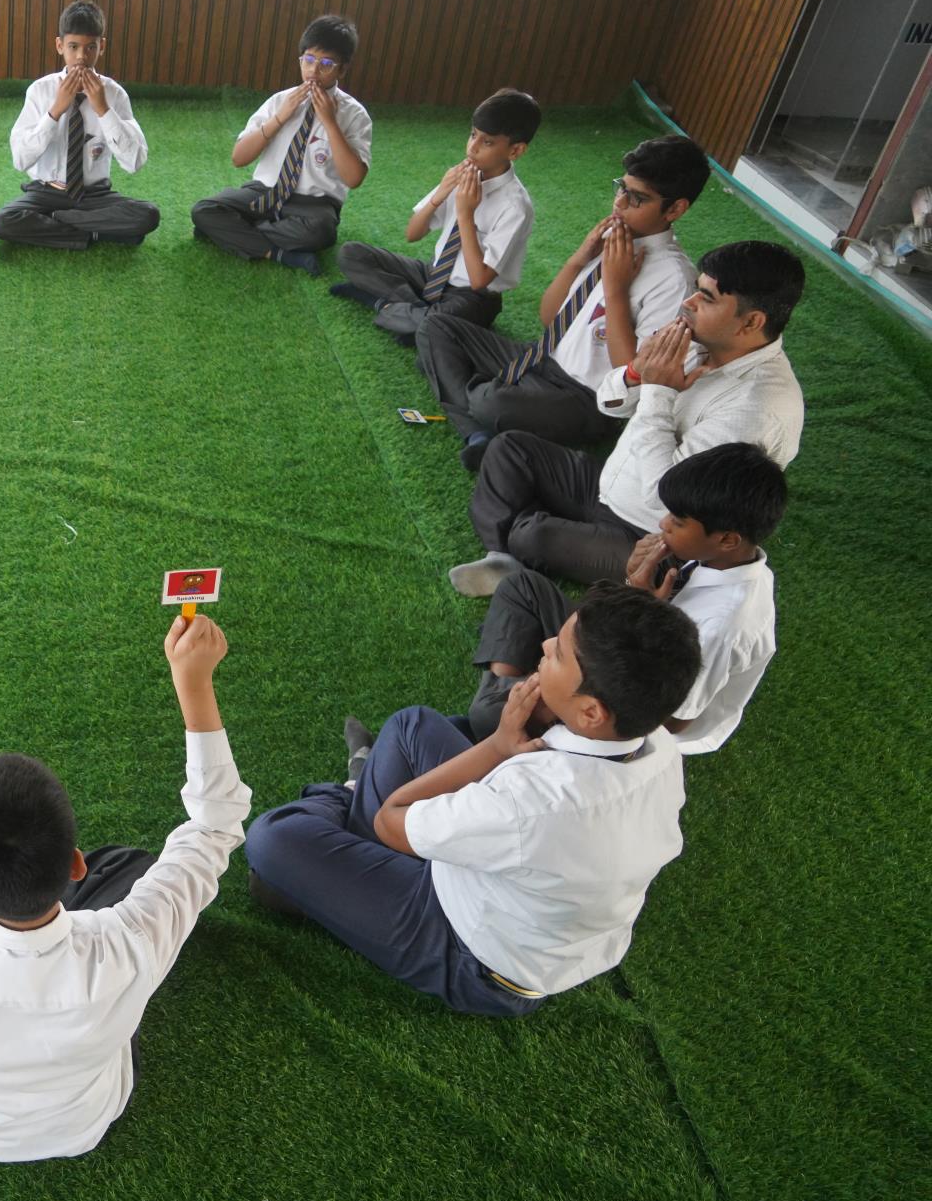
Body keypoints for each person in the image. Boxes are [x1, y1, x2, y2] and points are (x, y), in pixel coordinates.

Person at [0, 613, 252, 1161]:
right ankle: (29, 893)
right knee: (135, 866)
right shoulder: (131, 943)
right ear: (75, 864)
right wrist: (194, 682)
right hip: (88, 1114)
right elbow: (215, 827)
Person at [246, 584, 702, 1015]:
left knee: (272, 839)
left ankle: (343, 805)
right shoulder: (658, 745)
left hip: (475, 957)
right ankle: (337, 845)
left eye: (559, 654)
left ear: (590, 712)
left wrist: (498, 746)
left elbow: (391, 819)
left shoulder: (535, 799)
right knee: (412, 728)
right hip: (523, 893)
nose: (544, 646)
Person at [449, 239, 806, 594]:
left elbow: (665, 496)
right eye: (698, 289)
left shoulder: (757, 408)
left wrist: (657, 390)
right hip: (611, 484)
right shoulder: (700, 341)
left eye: (707, 298)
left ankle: (522, 539)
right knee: (511, 448)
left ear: (752, 321)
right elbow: (609, 402)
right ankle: (501, 554)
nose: (688, 303)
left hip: (654, 534)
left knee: (531, 534)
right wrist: (636, 372)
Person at [467, 443, 783, 755]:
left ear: (727, 539)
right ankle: (509, 690)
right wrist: (635, 590)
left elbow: (671, 720)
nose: (663, 524)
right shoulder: (722, 560)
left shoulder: (720, 627)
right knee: (522, 587)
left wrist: (564, 686)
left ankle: (506, 708)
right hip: (636, 653)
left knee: (488, 715)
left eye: (678, 521)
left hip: (635, 710)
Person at [416, 135, 708, 468]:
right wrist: (577, 260)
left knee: (490, 404)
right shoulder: (618, 235)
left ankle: (475, 404)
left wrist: (615, 290)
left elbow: (632, 375)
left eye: (637, 198)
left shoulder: (673, 279)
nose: (620, 204)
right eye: (621, 188)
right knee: (436, 328)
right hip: (541, 359)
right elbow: (548, 317)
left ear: (676, 208)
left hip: (584, 397)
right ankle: (476, 428)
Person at [331, 89, 540, 341]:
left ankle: (387, 306)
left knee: (440, 322)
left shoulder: (516, 206)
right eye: (473, 135)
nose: (472, 148)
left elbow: (479, 280)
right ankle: (415, 315)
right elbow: (413, 233)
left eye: (487, 142)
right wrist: (440, 193)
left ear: (515, 151)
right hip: (432, 275)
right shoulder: (462, 175)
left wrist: (465, 214)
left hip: (473, 297)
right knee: (352, 253)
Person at [189, 15, 371, 273]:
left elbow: (353, 178)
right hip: (264, 191)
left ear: (342, 69)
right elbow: (239, 158)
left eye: (326, 64)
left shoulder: (355, 115)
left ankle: (233, 233)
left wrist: (330, 123)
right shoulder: (279, 101)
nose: (314, 71)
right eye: (308, 60)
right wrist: (279, 118)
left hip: (313, 206)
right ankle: (278, 253)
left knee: (321, 233)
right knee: (204, 210)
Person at [0, 0, 158, 251]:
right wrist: (56, 110)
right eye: (73, 46)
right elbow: (20, 160)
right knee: (3, 222)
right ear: (60, 46)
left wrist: (102, 109)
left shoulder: (114, 94)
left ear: (102, 47)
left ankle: (57, 223)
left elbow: (134, 162)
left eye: (91, 47)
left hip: (95, 195)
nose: (81, 57)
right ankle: (94, 233)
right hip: (46, 192)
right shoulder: (40, 90)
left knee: (147, 215)